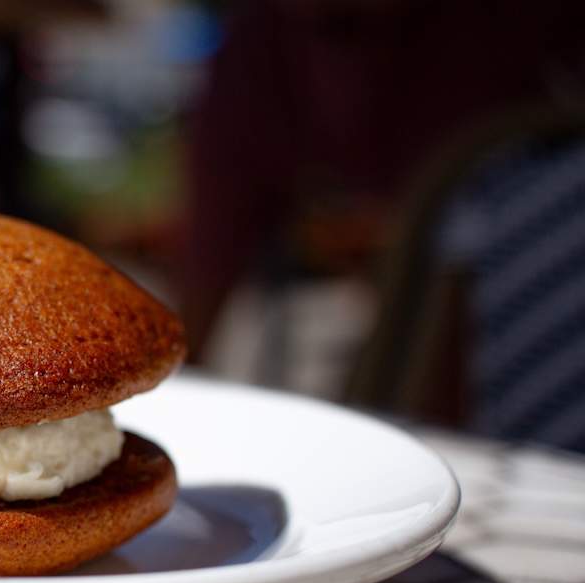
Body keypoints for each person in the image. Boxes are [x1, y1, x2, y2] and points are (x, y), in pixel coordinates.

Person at [176, 0, 585, 373]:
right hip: (412, 343)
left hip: (535, 328)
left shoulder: (519, 20)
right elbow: (211, 252)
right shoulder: (260, 43)